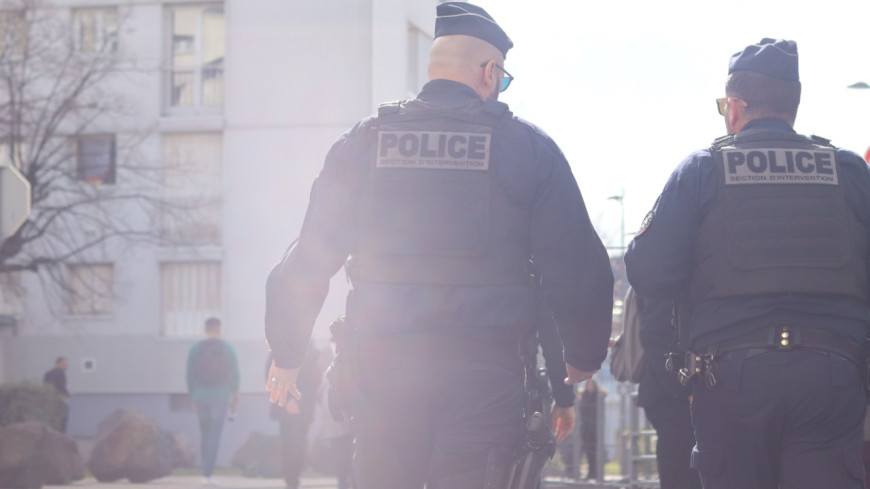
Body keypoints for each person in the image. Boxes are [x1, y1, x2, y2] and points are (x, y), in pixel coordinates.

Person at [264, 3, 614, 488]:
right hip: (485, 377)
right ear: (489, 72)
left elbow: (309, 256)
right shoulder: (528, 149)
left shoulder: (364, 143)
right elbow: (576, 265)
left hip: (383, 374)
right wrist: (582, 356)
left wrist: (287, 352)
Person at [624, 38, 870, 489]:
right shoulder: (849, 171)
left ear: (734, 107)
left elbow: (649, 272)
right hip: (831, 376)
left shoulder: (703, 170)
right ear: (793, 106)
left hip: (730, 379)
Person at [634, 294, 700, 489]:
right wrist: (685, 388)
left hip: (673, 393)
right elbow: (654, 333)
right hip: (675, 397)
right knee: (683, 474)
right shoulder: (666, 282)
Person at [186, 317, 240, 486]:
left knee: (205, 435)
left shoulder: (195, 348)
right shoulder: (227, 348)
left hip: (201, 397)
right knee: (214, 436)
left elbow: (189, 374)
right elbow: (235, 372)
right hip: (221, 396)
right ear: (219, 329)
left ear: (205, 330)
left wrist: (193, 396)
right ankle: (208, 474)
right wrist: (235, 394)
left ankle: (205, 473)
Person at [266, 345, 323, 489]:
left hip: (287, 405)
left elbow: (270, 377)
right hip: (301, 407)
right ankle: (293, 478)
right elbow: (315, 381)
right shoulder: (310, 351)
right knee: (296, 443)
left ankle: (291, 478)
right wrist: (296, 401)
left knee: (290, 443)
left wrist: (288, 400)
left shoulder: (278, 349)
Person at [577, 378, 601, 480]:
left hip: (595, 429)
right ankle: (590, 473)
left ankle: (595, 472)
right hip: (586, 429)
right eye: (588, 385)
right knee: (587, 451)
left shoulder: (598, 396)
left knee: (594, 452)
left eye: (592, 385)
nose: (590, 387)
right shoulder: (584, 397)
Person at [43, 356, 70, 432]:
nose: (66, 366)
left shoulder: (48, 373)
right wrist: (68, 393)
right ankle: (59, 433)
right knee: (62, 417)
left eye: (67, 365)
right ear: (58, 364)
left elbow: (45, 385)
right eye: (64, 364)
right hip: (58, 399)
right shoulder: (60, 374)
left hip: (48, 400)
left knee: (50, 418)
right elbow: (61, 387)